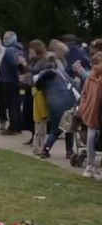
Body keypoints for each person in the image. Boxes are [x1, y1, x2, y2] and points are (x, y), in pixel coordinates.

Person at [35, 61, 77, 159]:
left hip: (52, 103)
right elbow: (73, 83)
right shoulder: (60, 72)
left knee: (55, 130)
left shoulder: (41, 77)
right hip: (67, 101)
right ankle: (69, 152)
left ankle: (46, 150)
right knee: (68, 128)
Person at [19, 40, 49, 145]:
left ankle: (39, 138)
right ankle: (33, 136)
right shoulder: (33, 60)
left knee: (37, 115)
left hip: (38, 90)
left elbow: (35, 70)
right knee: (29, 114)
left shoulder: (43, 60)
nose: (29, 52)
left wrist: (24, 63)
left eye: (31, 50)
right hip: (29, 88)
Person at [79, 52, 102, 180]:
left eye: (97, 63)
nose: (94, 66)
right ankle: (90, 165)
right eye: (93, 64)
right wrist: (84, 107)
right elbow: (84, 93)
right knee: (90, 139)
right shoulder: (90, 78)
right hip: (91, 113)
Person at [0, 31, 25, 135]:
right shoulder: (20, 50)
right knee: (17, 104)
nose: (4, 40)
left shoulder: (9, 50)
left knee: (11, 105)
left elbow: (14, 64)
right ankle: (18, 126)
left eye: (6, 38)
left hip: (9, 81)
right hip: (16, 81)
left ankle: (13, 127)